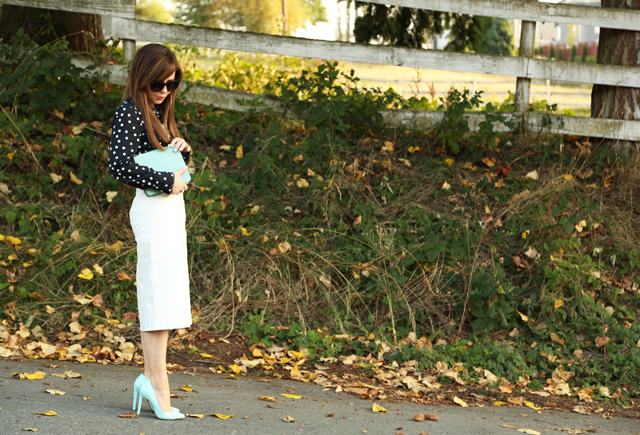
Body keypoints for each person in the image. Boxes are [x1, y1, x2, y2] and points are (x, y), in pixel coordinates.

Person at [108, 43, 192, 420]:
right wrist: (165, 178)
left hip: (170, 209)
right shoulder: (128, 112)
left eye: (171, 85)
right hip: (153, 211)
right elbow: (119, 165)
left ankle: (154, 380)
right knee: (158, 298)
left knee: (169, 298)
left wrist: (181, 153)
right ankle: (157, 385)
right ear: (142, 77)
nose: (164, 90)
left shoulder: (156, 112)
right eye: (158, 83)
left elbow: (159, 161)